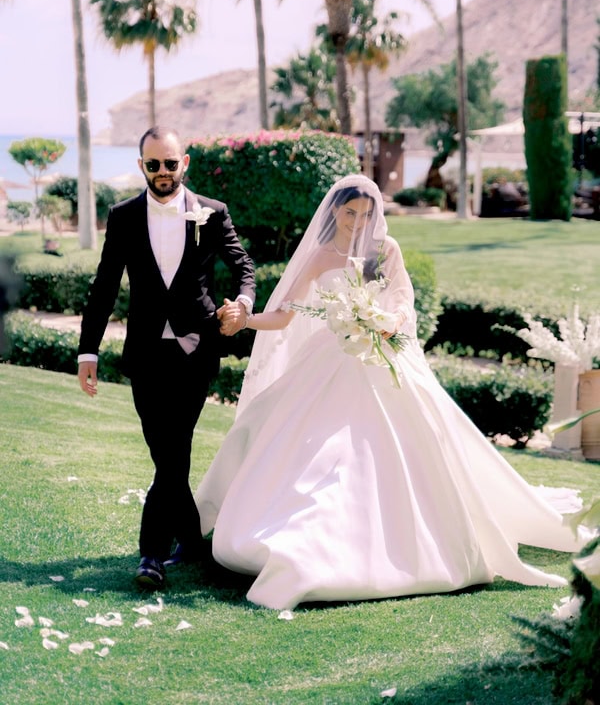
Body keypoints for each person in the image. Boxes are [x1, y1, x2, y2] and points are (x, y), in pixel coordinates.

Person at [196, 174, 587, 611]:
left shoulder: (386, 250)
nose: (357, 222)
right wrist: (246, 321)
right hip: (329, 359)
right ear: (335, 210)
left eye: (366, 215)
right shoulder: (319, 255)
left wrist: (390, 321)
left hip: (380, 356)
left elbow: (402, 298)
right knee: (314, 448)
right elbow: (285, 315)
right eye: (350, 213)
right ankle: (300, 534)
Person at [78, 125, 255, 589]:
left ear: (184, 163)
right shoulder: (122, 216)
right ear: (142, 166)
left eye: (170, 163)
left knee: (174, 450)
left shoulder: (212, 213)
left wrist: (244, 303)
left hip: (198, 350)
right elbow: (104, 287)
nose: (162, 171)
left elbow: (243, 266)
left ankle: (151, 556)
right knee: (167, 454)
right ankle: (192, 541)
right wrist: (87, 350)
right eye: (153, 164)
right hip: (145, 353)